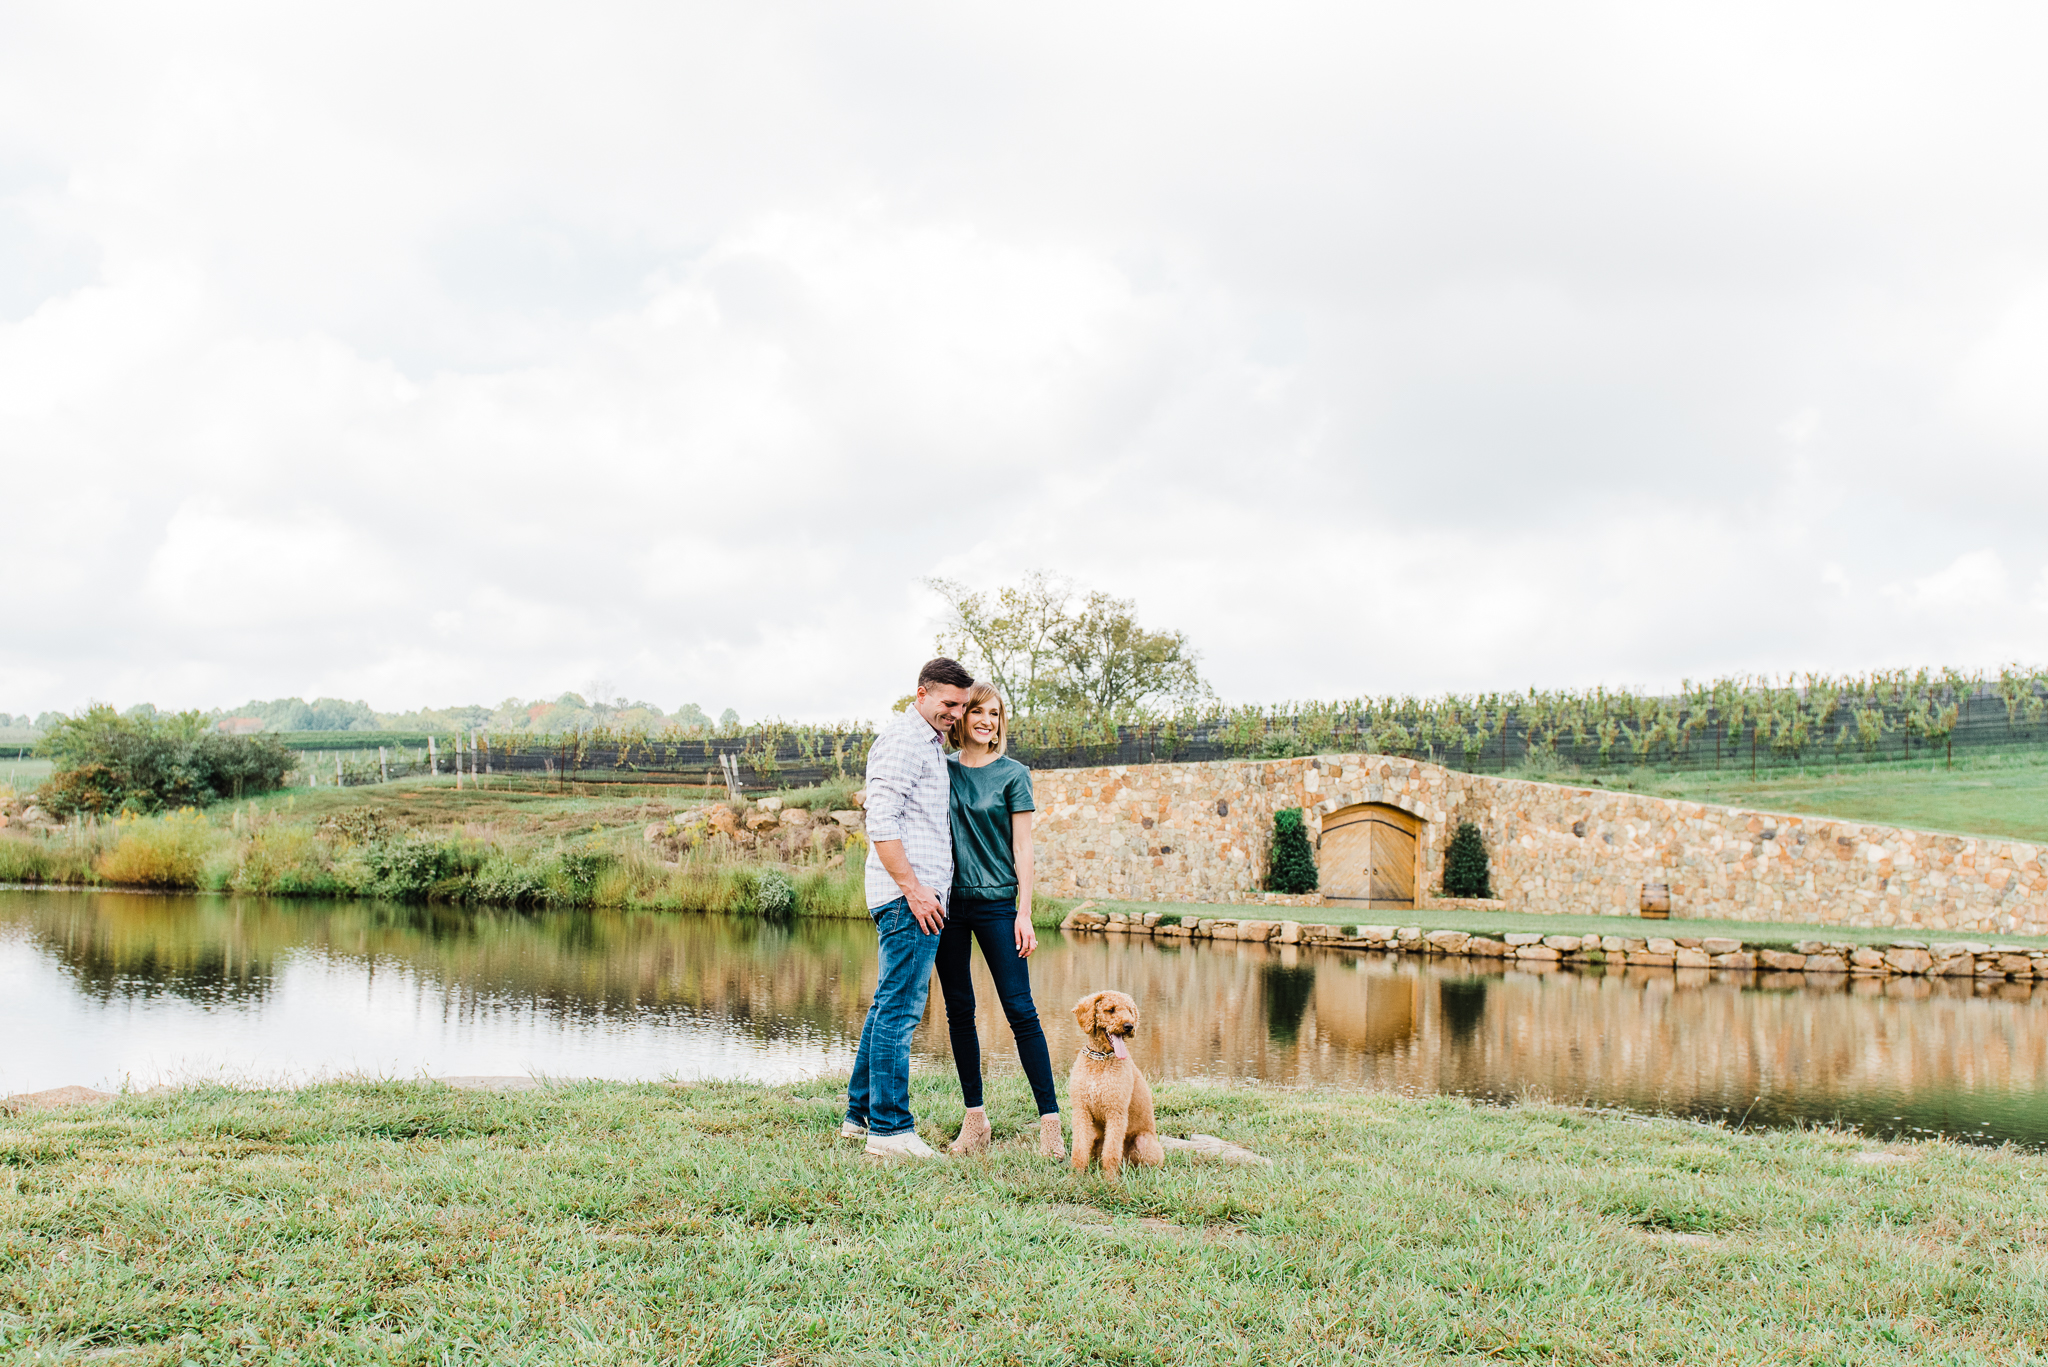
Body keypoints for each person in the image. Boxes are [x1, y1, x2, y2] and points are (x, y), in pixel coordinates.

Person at [843, 656, 974, 1159]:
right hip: (908, 899)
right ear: (921, 693)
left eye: (961, 706)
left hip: (915, 895)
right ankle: (891, 1130)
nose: (956, 714)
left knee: (885, 1006)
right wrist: (916, 891)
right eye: (948, 704)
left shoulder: (929, 743)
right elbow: (882, 820)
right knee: (901, 1010)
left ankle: (860, 1117)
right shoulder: (902, 739)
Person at [934, 683, 1064, 1158]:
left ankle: (1050, 1126)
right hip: (947, 906)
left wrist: (1024, 913)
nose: (987, 721)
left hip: (997, 906)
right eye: (978, 712)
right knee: (958, 1011)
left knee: (1021, 1011)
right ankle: (975, 1122)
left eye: (995, 713)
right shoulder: (940, 768)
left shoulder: (1014, 774)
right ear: (962, 718)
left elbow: (1023, 848)